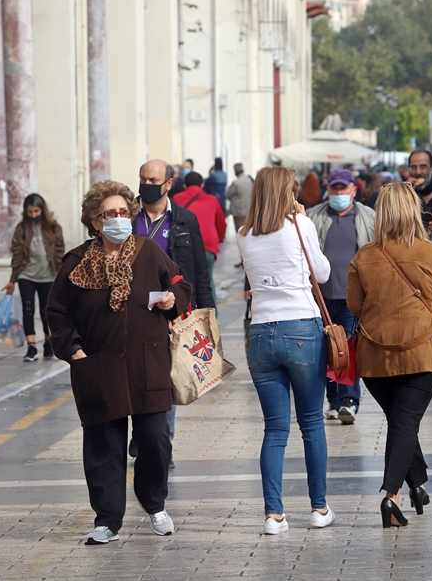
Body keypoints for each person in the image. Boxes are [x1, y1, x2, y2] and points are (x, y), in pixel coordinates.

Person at [46, 181, 192, 545]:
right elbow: (57, 312)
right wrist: (74, 349)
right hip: (99, 365)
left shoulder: (147, 251)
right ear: (96, 221)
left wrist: (172, 298)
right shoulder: (76, 263)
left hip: (148, 363)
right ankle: (107, 519)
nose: (119, 219)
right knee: (103, 446)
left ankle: (155, 504)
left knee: (156, 439)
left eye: (125, 212)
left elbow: (179, 282)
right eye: (111, 214)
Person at [347, 182, 432, 528]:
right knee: (404, 422)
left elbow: (355, 305)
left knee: (401, 421)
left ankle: (418, 483)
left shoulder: (365, 255)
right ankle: (391, 496)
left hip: (374, 359)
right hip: (422, 355)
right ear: (414, 211)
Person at [236, 165, 336, 535]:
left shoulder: (244, 235)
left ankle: (273, 515)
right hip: (301, 329)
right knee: (311, 422)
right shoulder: (299, 226)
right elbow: (322, 274)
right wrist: (302, 220)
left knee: (274, 429)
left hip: (261, 333)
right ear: (286, 192)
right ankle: (318, 508)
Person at [134, 159, 216, 464]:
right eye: (143, 178)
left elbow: (198, 271)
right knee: (136, 377)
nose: (146, 184)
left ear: (169, 184)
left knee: (165, 380)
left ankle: (160, 445)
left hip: (171, 314)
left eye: (153, 179)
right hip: (132, 313)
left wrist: (205, 314)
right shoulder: (128, 218)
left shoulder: (185, 220)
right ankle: (142, 433)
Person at [307, 168, 376, 424]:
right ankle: (333, 400)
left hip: (353, 298)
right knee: (326, 350)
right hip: (320, 298)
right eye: (334, 188)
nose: (338, 193)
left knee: (346, 347)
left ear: (353, 190)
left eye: (343, 188)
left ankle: (349, 400)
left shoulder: (368, 217)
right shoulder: (313, 217)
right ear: (328, 189)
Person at [2, 194, 66, 362]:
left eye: (36, 211)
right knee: (28, 309)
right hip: (26, 275)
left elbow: (60, 253)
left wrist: (61, 278)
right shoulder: (21, 229)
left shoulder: (53, 227)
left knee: (47, 311)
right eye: (30, 211)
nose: (33, 214)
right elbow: (16, 255)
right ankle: (31, 347)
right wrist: (12, 280)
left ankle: (47, 342)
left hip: (48, 275)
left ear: (42, 210)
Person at [173, 171, 226, 307]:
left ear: (185, 185)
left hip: (185, 244)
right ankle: (212, 316)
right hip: (208, 245)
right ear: (202, 185)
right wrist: (219, 240)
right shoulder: (212, 199)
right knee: (207, 280)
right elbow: (221, 223)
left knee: (185, 278)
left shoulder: (177, 199)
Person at [226, 162, 254, 237]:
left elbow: (227, 194)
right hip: (250, 211)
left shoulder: (236, 183)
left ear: (235, 172)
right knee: (250, 234)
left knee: (241, 235)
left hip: (239, 213)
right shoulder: (250, 180)